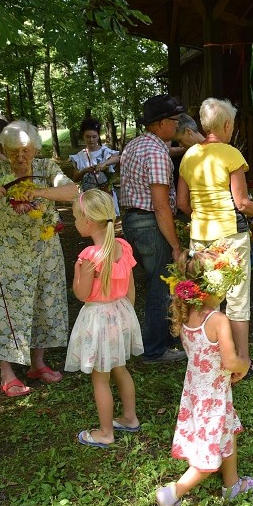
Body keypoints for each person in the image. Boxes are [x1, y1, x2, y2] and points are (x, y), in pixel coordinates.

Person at [0, 120, 78, 397]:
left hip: (45, 249)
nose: (19, 156)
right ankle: (7, 372)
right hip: (8, 252)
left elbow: (71, 190)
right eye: (13, 150)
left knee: (45, 301)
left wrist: (39, 191)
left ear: (35, 149)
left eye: (25, 150)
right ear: (3, 148)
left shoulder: (45, 169)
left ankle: (37, 363)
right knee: (7, 307)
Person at [155, 246, 253, 506]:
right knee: (208, 455)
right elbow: (230, 360)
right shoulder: (218, 321)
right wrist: (244, 366)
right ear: (215, 285)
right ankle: (172, 492)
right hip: (212, 396)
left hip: (196, 392)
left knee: (228, 433)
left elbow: (204, 357)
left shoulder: (188, 315)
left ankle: (232, 483)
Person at [177, 98, 253, 378]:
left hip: (200, 236)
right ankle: (242, 363)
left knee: (205, 296)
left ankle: (207, 359)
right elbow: (243, 203)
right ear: (226, 125)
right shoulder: (231, 154)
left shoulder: (189, 156)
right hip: (230, 236)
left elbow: (183, 202)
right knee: (237, 299)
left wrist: (201, 216)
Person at [66, 190, 143, 447]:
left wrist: (77, 272)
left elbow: (81, 294)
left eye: (76, 217)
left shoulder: (90, 256)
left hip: (98, 319)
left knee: (100, 377)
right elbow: (131, 287)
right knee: (120, 367)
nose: (75, 222)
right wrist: (126, 317)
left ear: (88, 222)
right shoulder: (123, 247)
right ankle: (130, 418)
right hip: (121, 313)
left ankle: (106, 433)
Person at [119, 94, 187, 364]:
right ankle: (155, 349)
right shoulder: (157, 153)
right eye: (174, 120)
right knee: (161, 285)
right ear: (160, 124)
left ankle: (159, 338)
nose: (177, 124)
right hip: (151, 221)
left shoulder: (135, 145)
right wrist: (175, 245)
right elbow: (160, 206)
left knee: (153, 283)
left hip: (133, 220)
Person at [69, 117, 121, 214]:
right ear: (83, 137)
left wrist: (104, 163)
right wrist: (84, 171)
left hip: (105, 194)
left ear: (98, 136)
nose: (91, 140)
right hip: (88, 197)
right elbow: (75, 178)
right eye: (88, 137)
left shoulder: (105, 151)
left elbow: (117, 158)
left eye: (94, 136)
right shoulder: (79, 156)